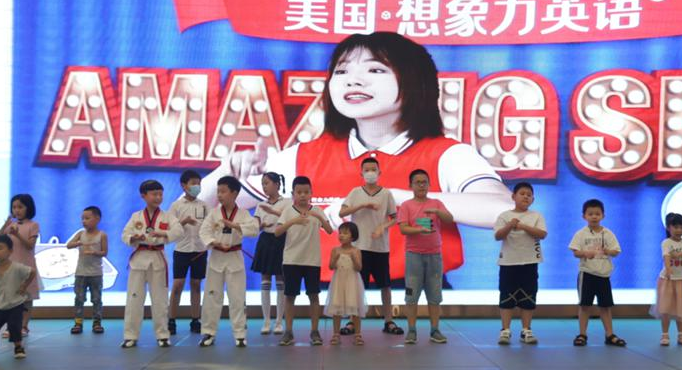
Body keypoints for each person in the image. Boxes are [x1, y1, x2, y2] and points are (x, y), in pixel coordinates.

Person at [199, 31, 510, 283]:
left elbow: (503, 210)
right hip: (322, 299)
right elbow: (201, 217)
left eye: (375, 70)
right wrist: (222, 175)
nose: (353, 80)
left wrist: (396, 198)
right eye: (342, 71)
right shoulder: (299, 157)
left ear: (416, 81)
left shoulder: (448, 154)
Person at [338, 157, 401, 336]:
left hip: (380, 247)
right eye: (367, 170)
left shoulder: (386, 194)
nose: (370, 173)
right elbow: (342, 212)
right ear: (361, 173)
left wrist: (383, 227)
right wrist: (362, 205)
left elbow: (394, 218)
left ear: (379, 172)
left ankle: (388, 321)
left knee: (385, 285)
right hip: (359, 247)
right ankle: (353, 321)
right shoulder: (355, 192)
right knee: (357, 286)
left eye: (373, 169)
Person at [120, 180, 183, 348]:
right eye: (154, 194)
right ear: (143, 195)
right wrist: (134, 238)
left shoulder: (167, 216)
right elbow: (125, 234)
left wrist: (162, 233)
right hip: (139, 259)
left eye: (160, 194)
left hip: (157, 259)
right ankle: (130, 335)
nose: (158, 197)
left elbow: (178, 231)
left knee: (160, 300)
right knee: (134, 299)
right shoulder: (136, 216)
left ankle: (162, 335)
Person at [198, 176, 260, 347]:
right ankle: (208, 332)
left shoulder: (243, 214)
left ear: (234, 193)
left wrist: (235, 226)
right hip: (216, 256)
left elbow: (254, 229)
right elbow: (204, 232)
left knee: (237, 298)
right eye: (218, 191)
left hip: (234, 257)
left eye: (223, 191)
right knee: (212, 297)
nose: (219, 195)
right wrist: (214, 242)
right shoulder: (214, 214)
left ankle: (240, 334)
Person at [275, 176, 333, 346]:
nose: (302, 195)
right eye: (299, 192)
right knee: (290, 296)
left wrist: (319, 217)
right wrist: (294, 220)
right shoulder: (288, 211)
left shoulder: (317, 210)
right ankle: (288, 331)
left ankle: (315, 331)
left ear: (311, 193)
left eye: (306, 192)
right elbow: (277, 232)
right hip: (291, 260)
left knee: (313, 295)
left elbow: (330, 230)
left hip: (312, 261)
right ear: (293, 193)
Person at [398, 169, 454, 345]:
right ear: (411, 185)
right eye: (418, 182)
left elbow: (449, 219)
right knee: (411, 295)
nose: (421, 185)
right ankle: (411, 330)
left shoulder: (436, 203)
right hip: (413, 256)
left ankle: (435, 330)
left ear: (429, 185)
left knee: (435, 295)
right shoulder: (406, 205)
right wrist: (419, 230)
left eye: (424, 182)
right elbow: (403, 229)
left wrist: (437, 212)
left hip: (434, 255)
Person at [493, 182, 547, 345]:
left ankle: (526, 330)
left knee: (528, 297)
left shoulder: (536, 216)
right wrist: (510, 225)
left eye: (529, 195)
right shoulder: (504, 216)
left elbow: (542, 234)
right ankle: (505, 330)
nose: (525, 197)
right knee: (506, 297)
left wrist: (522, 226)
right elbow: (498, 236)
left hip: (530, 262)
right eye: (522, 193)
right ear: (513, 196)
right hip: (508, 262)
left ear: (533, 199)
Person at [568, 199, 626, 347]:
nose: (594, 216)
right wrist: (585, 253)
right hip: (586, 274)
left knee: (605, 306)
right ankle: (582, 334)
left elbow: (616, 251)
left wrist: (607, 251)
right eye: (590, 214)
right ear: (584, 216)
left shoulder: (608, 233)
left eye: (597, 214)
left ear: (603, 216)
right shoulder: (580, 234)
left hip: (604, 275)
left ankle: (609, 334)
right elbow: (575, 252)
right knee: (584, 305)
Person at [168, 170, 209, 335]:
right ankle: (171, 320)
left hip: (200, 250)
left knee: (196, 285)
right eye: (193, 183)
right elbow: (170, 228)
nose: (196, 186)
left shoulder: (204, 205)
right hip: (182, 250)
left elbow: (211, 226)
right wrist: (184, 221)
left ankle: (195, 320)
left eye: (199, 183)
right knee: (178, 285)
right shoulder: (176, 206)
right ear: (183, 185)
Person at [250, 172, 290, 335]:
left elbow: (289, 220)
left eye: (266, 183)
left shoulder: (287, 202)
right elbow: (255, 226)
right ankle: (266, 321)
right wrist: (259, 226)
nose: (264, 186)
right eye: (262, 183)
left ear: (277, 184)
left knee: (281, 279)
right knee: (265, 280)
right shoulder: (260, 204)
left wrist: (273, 212)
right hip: (265, 240)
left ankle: (279, 322)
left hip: (281, 240)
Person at [650, 213, 682, 346]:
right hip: (668, 281)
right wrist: (669, 269)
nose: (679, 230)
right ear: (668, 228)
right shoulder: (667, 243)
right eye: (675, 227)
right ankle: (664, 335)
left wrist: (681, 254)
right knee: (666, 309)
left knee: (681, 309)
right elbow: (666, 257)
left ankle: (681, 336)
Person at [0, 194, 40, 337]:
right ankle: (11, 327)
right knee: (11, 298)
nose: (17, 210)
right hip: (10, 268)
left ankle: (24, 326)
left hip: (26, 267)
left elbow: (30, 245)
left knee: (26, 299)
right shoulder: (11, 226)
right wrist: (5, 225)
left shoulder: (33, 225)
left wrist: (17, 234)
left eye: (20, 207)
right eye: (14, 207)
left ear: (29, 208)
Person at [66, 206, 108, 334]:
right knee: (79, 298)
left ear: (97, 219)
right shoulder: (80, 234)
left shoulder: (102, 235)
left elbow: (105, 252)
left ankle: (97, 322)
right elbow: (68, 245)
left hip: (96, 273)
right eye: (82, 218)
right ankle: (78, 322)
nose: (84, 221)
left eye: (87, 218)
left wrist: (94, 253)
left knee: (96, 299)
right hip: (81, 273)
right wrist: (78, 243)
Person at [325, 222, 367, 346]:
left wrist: (354, 258)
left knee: (355, 307)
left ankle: (358, 334)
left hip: (352, 282)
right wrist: (335, 259)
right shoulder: (335, 250)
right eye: (340, 233)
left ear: (353, 236)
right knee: (336, 307)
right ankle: (336, 334)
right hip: (339, 282)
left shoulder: (356, 251)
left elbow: (359, 268)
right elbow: (331, 266)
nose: (341, 235)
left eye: (345, 233)